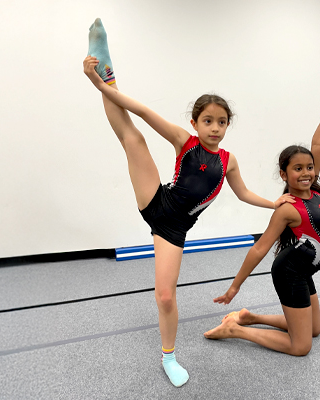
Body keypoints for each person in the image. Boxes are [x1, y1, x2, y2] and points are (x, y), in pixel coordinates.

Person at [83, 18, 293, 387]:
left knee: (165, 296)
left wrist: (273, 204)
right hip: (156, 199)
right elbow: (144, 113)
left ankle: (168, 357)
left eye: (221, 122)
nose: (215, 128)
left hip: (174, 227)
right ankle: (106, 71)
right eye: (208, 121)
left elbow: (243, 193)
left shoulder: (228, 161)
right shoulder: (186, 141)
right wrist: (99, 85)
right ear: (195, 123)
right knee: (133, 138)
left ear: (227, 126)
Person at [204, 93, 320, 357]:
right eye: (297, 169)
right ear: (284, 174)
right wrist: (235, 287)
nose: (306, 173)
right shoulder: (287, 209)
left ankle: (249, 318)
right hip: (290, 272)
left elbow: (318, 144)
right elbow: (259, 249)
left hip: (304, 269)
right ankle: (234, 330)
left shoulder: (314, 189)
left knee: (314, 330)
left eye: (309, 167)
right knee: (301, 346)